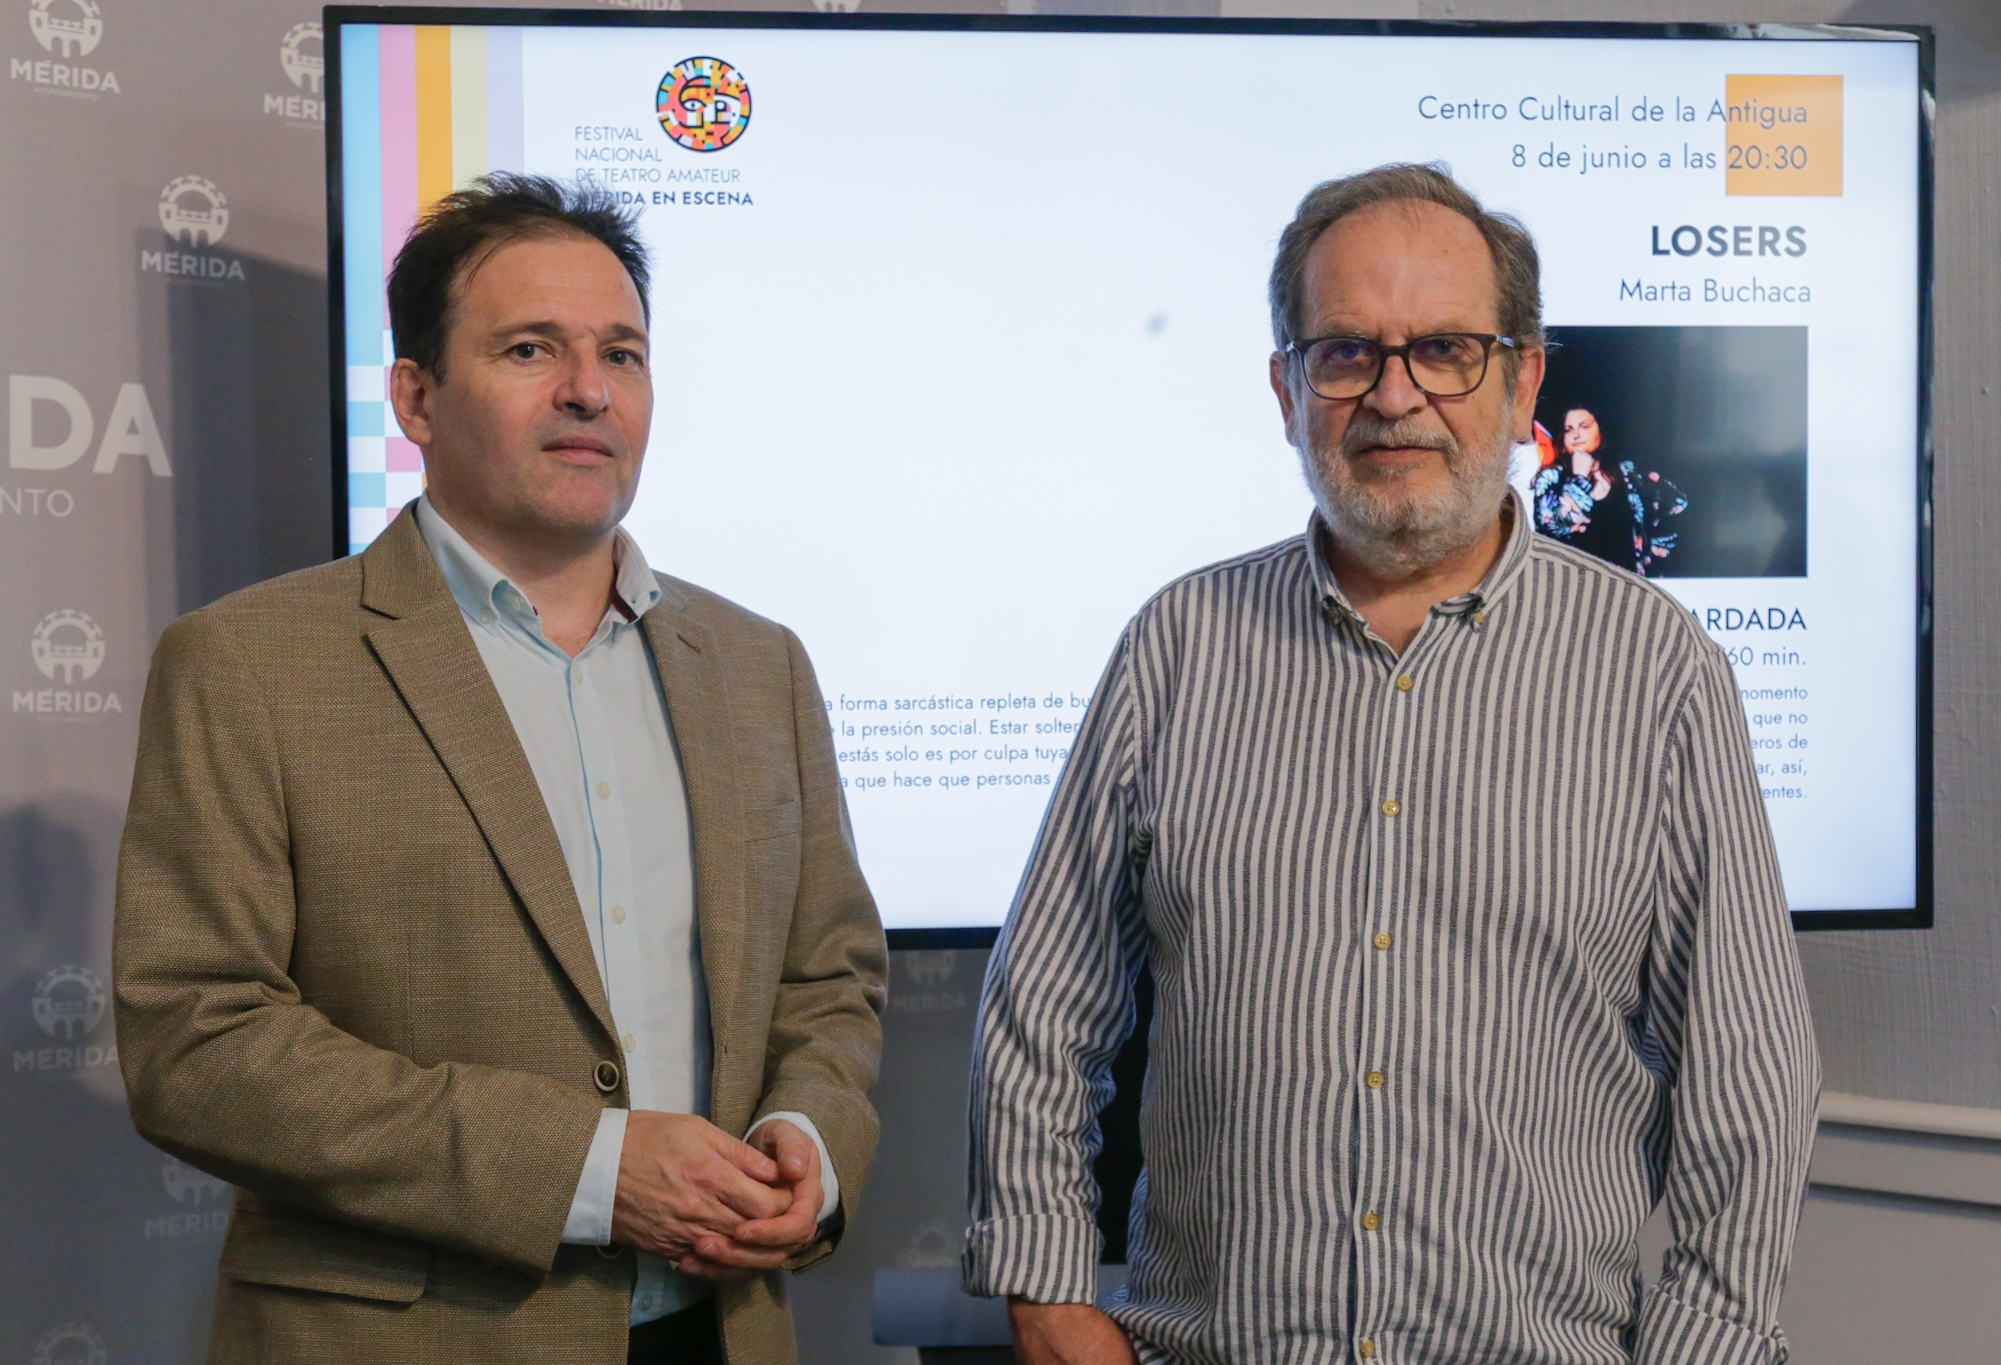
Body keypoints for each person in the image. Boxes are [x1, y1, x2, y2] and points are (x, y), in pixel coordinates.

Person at [965, 163, 1817, 1364]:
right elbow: (1043, 1009)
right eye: (1346, 353)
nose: (1394, 395)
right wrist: (1046, 1298)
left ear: (1520, 381)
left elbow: (1747, 1075)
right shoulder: (1177, 647)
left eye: (1446, 351)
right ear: (1287, 389)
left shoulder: (1657, 672)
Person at [113, 175, 888, 1365]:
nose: (588, 389)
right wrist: (586, 1168)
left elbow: (828, 976)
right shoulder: (250, 663)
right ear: (415, 398)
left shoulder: (756, 664)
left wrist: (810, 1142)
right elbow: (196, 1042)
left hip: (720, 1328)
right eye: (531, 349)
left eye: (621, 354)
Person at [1533, 404, 1688, 574]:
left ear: (1601, 430)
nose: (1576, 435)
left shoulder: (1627, 473)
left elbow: (1677, 503)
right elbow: (1550, 529)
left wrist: (1652, 551)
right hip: (1577, 584)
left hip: (1628, 583)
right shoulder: (1551, 478)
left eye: (1584, 427)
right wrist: (1580, 478)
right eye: (1569, 430)